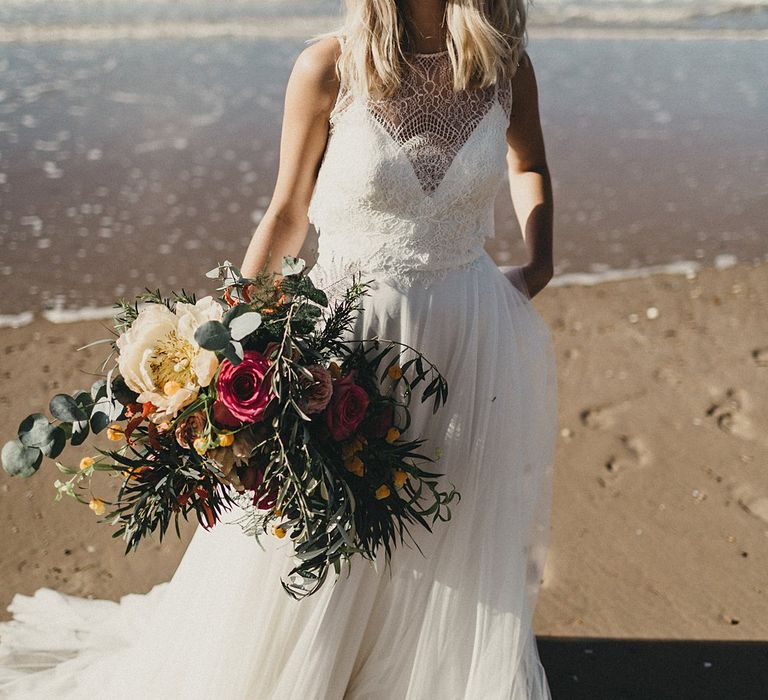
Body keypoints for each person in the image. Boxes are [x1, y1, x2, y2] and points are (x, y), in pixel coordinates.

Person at [0, 0, 558, 697]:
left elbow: (528, 162)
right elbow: (288, 211)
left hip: (468, 336)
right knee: (316, 523)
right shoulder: (330, 65)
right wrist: (234, 341)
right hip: (346, 341)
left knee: (447, 515)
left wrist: (540, 264)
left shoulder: (505, 68)